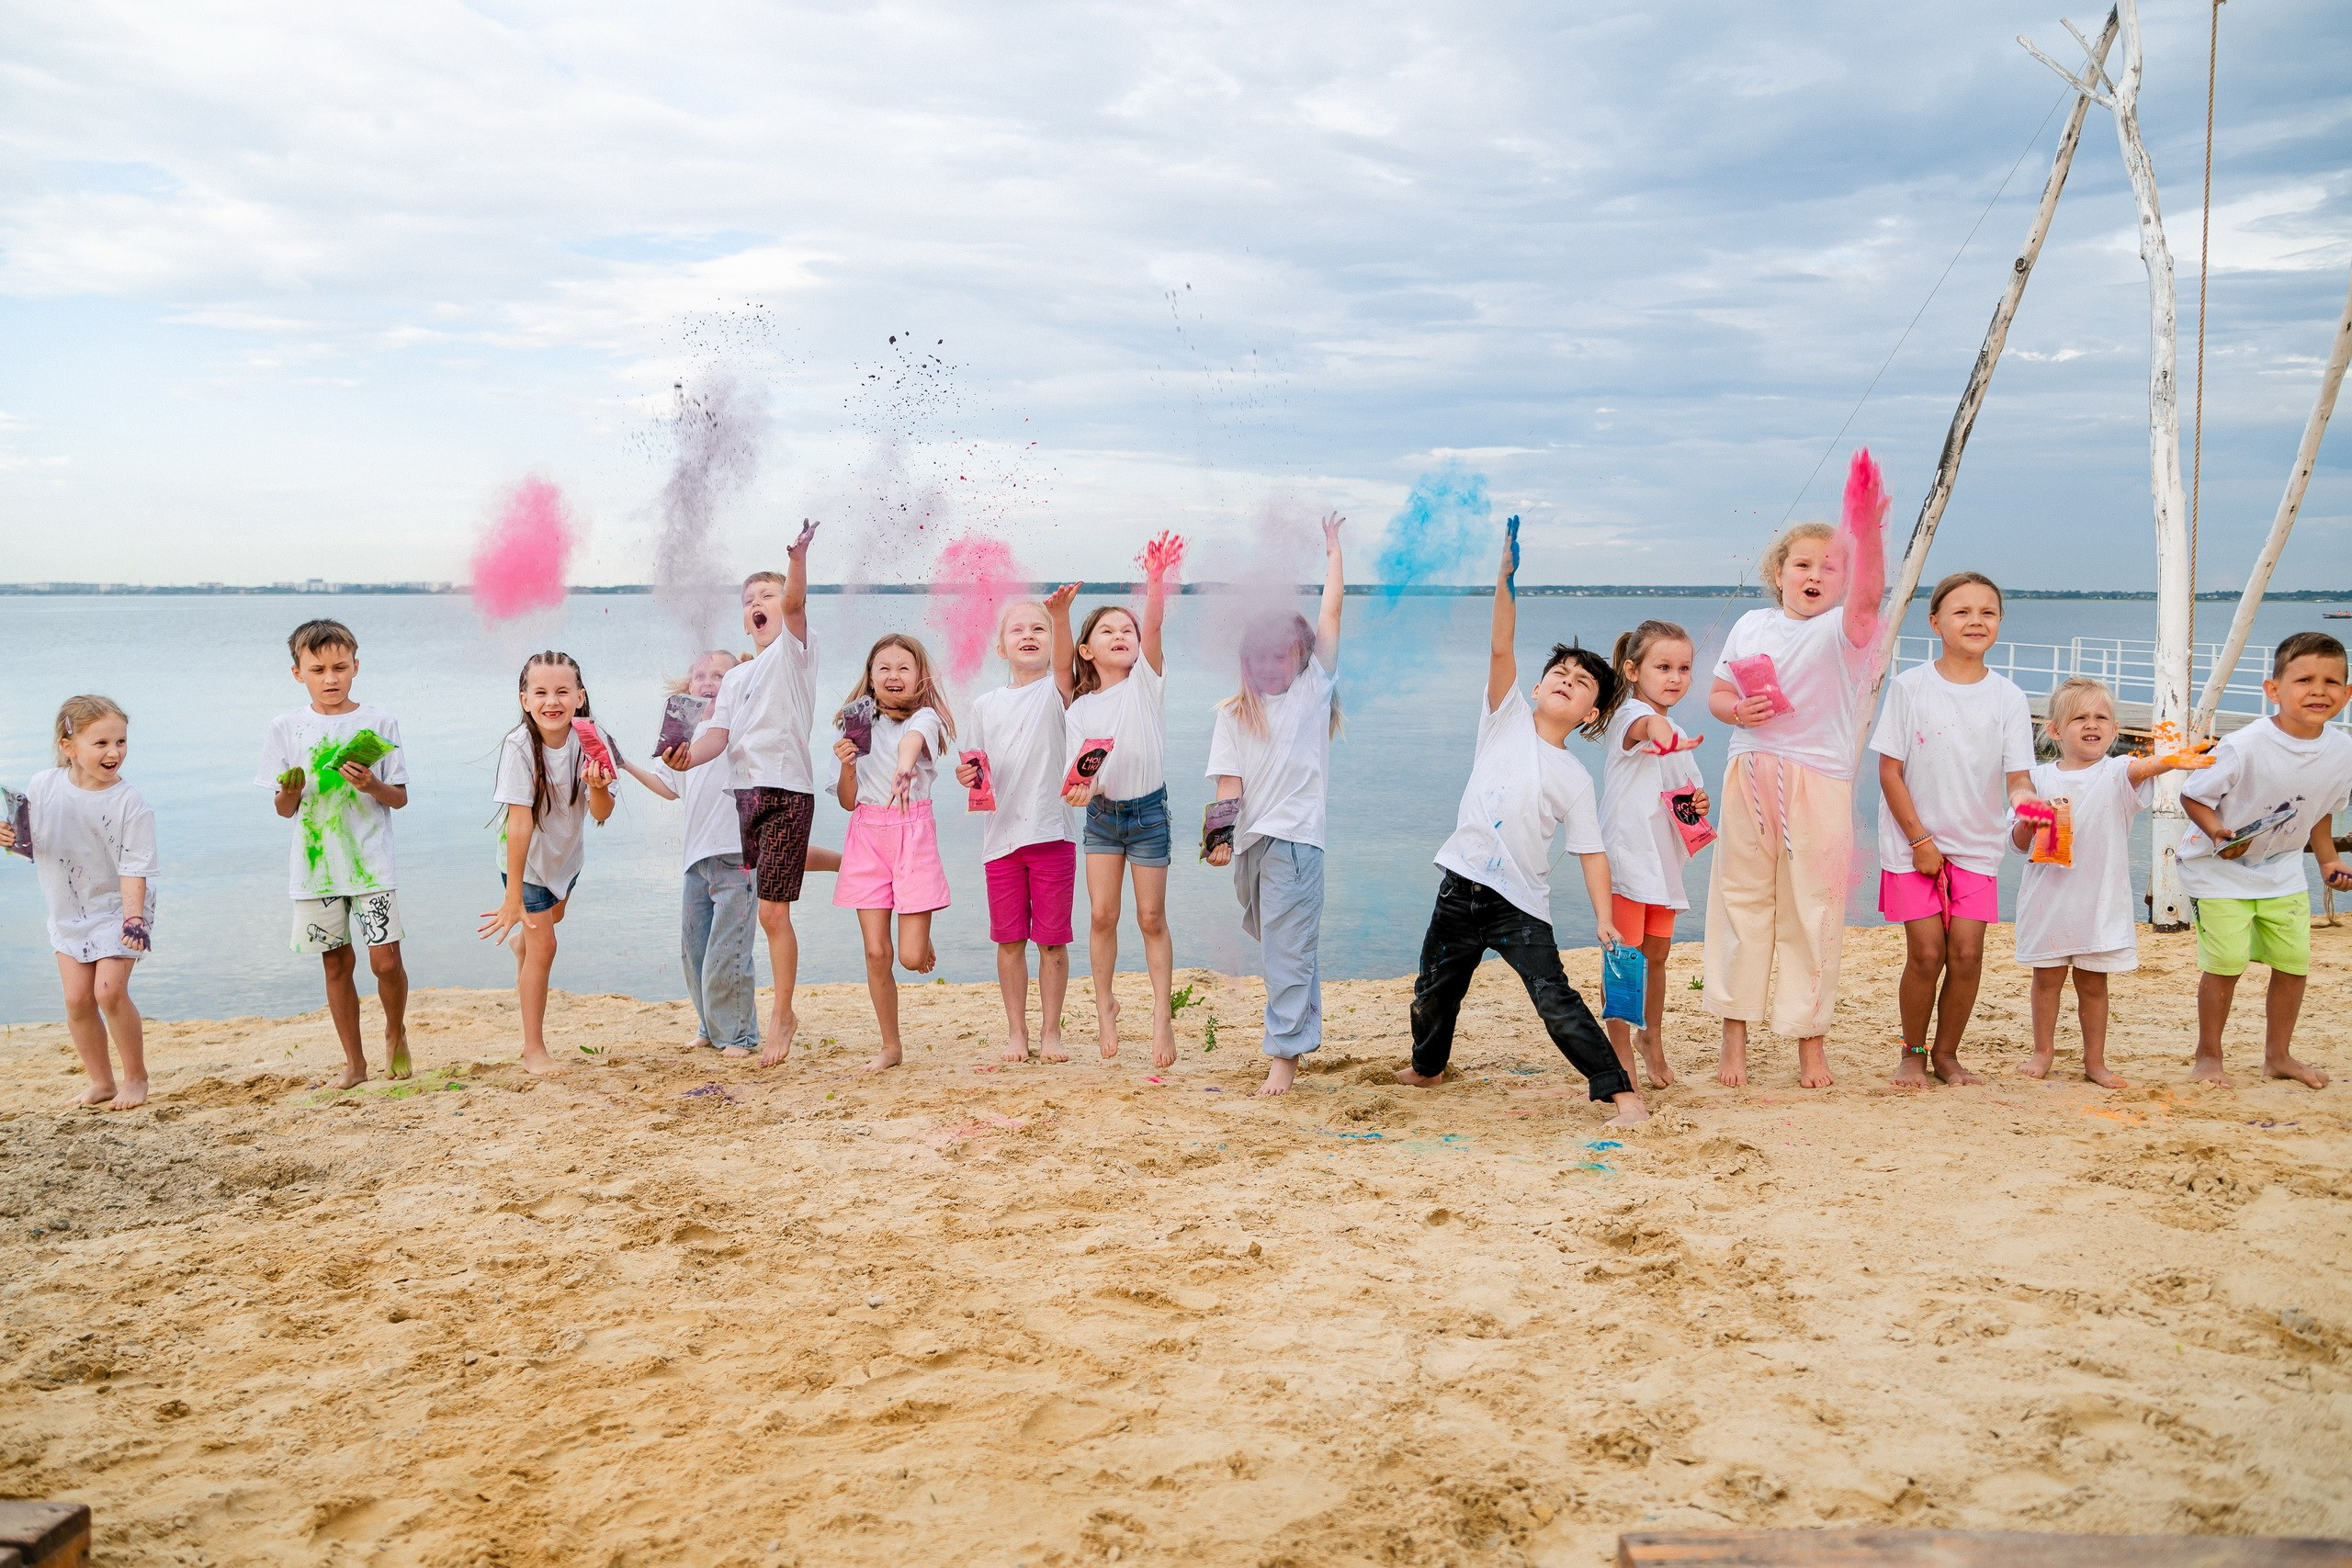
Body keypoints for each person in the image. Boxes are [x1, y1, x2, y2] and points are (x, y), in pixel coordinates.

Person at [1396, 526, 1648, 1128]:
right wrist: (1504, 581)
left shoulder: (1574, 776)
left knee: (1555, 1002)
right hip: (1460, 887)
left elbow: (1590, 852)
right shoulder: (1503, 718)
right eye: (1558, 671)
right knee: (1433, 991)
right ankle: (1428, 1068)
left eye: (1581, 680)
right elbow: (1500, 647)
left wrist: (1604, 916)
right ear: (1535, 688)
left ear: (1590, 714)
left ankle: (1622, 1095)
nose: (1566, 677)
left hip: (1520, 906)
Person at [1703, 453, 1889, 1089]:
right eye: (1802, 564)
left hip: (1817, 780)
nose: (1814, 575)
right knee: (1740, 904)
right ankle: (1735, 1038)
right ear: (1778, 573)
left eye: (1828, 567)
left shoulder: (1846, 629)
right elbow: (1719, 696)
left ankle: (1810, 1042)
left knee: (1814, 910)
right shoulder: (1752, 624)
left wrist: (1865, 531)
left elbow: (1868, 597)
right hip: (1748, 772)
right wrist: (1739, 708)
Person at [1870, 572, 2044, 1088]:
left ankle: (1947, 1054)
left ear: (2000, 624)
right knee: (1926, 954)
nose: (1975, 621)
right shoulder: (1910, 687)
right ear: (1935, 622)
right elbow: (1888, 771)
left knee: (1967, 954)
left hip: (1977, 843)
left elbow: (2017, 778)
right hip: (1912, 842)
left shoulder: (2008, 697)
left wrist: (2028, 805)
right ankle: (1913, 1051)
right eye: (1962, 612)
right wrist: (1920, 841)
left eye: (1987, 612)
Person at [665, 522, 825, 1064]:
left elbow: (798, 602)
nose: (757, 603)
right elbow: (718, 735)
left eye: (767, 595)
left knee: (774, 914)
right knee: (768, 912)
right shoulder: (735, 679)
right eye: (748, 599)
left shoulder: (793, 653)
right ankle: (767, 1013)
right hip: (745, 799)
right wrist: (688, 757)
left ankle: (781, 1014)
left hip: (788, 790)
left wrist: (797, 561)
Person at [2010, 676, 2213, 1088]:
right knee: (2046, 979)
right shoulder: (2037, 778)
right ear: (2054, 730)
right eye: (2079, 717)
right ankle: (2043, 1051)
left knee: (2092, 982)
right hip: (2048, 897)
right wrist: (2030, 823)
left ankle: (2095, 1061)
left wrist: (2171, 760)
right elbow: (2015, 840)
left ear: (2114, 729)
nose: (2092, 724)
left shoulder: (2117, 771)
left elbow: (2142, 766)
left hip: (2099, 898)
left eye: (2101, 717)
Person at [1204, 513, 1346, 1096]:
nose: (1269, 667)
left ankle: (1283, 1057)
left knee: (1287, 949)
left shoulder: (1313, 694)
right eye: (1257, 658)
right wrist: (1217, 841)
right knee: (1282, 942)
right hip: (1252, 846)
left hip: (1295, 842)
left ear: (1301, 658)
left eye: (1280, 657)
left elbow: (1332, 612)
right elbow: (1228, 787)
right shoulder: (1233, 714)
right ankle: (1299, 1032)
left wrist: (1333, 549)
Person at [2178, 631, 2352, 1089]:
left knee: (2294, 963)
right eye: (2304, 680)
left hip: (2283, 872)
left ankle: (2278, 1055)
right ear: (2273, 690)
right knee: (2226, 962)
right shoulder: (2245, 744)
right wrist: (2218, 831)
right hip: (2216, 870)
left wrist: (2328, 862)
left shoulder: (2341, 751)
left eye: (2332, 682)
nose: (2319, 690)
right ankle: (2209, 1054)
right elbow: (2193, 795)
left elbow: (2320, 812)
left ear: (2347, 694)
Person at [256, 618, 411, 1090]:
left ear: (356, 667)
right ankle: (355, 1063)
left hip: (371, 862)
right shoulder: (285, 727)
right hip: (316, 868)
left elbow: (399, 798)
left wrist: (372, 784)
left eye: (340, 667)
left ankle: (395, 1029)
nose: (330, 678)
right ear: (297, 672)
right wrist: (291, 790)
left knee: (385, 962)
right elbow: (284, 810)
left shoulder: (380, 722)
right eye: (318, 668)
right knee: (336, 964)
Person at [1062, 531, 1184, 1068]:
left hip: (1149, 813)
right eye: (1107, 630)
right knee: (1103, 916)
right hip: (1104, 818)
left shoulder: (1145, 684)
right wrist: (1079, 790)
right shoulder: (1080, 709)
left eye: (1126, 629)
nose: (1122, 634)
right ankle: (1104, 1006)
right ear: (1086, 650)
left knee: (1151, 917)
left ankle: (1162, 1017)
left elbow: (1153, 623)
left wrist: (1155, 579)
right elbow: (1074, 782)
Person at [2, 695, 157, 1109]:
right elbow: (32, 845)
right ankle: (101, 1081)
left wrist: (134, 918)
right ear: (68, 746)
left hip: (121, 907)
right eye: (101, 743)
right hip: (68, 908)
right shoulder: (43, 785)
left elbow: (135, 867)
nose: (114, 752)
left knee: (108, 991)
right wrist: (10, 838)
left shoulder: (131, 804)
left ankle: (136, 1079)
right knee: (76, 999)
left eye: (121, 742)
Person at [618, 651, 765, 1059]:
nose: (707, 682)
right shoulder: (685, 737)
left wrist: (750, 671)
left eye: (719, 675)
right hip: (696, 859)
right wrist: (625, 763)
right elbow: (669, 787)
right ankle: (710, 1024)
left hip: (737, 854)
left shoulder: (739, 724)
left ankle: (739, 1035)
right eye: (699, 676)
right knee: (694, 949)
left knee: (728, 951)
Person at [957, 589, 1080, 1064]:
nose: (1029, 636)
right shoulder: (984, 705)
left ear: (1051, 643)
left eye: (1038, 629)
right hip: (1000, 840)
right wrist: (967, 776)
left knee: (1052, 941)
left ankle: (1051, 1031)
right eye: (1018, 630)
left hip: (1052, 833)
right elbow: (976, 767)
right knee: (1009, 941)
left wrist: (1062, 615)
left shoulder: (1056, 693)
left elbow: (1068, 666)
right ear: (1000, 647)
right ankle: (1017, 1032)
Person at [477, 651, 614, 1073]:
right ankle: (533, 1049)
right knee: (546, 946)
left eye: (562, 691)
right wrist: (511, 897)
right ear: (524, 700)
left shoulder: (592, 739)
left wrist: (599, 787)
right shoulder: (520, 746)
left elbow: (601, 814)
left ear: (580, 697)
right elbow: (518, 824)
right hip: (527, 860)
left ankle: (526, 940)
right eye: (540, 692)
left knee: (551, 924)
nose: (551, 701)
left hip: (565, 857)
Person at [831, 633, 956, 1073]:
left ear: (920, 676)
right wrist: (848, 763)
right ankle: (890, 1045)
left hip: (912, 832)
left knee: (910, 957)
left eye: (904, 667)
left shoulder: (925, 718)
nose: (893, 675)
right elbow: (847, 800)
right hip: (866, 833)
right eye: (883, 667)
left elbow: (911, 745)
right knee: (877, 953)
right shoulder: (856, 726)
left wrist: (904, 771)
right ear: (869, 677)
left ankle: (920, 930)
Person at [1595, 618, 1709, 1089]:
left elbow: (1684, 792)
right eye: (1663, 667)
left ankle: (1651, 1038)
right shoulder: (1628, 716)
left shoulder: (1676, 728)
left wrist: (1698, 804)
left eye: (1684, 668)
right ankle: (1619, 1051)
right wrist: (1660, 732)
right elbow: (1648, 727)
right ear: (1632, 669)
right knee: (1625, 956)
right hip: (1626, 861)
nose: (1675, 677)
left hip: (1663, 864)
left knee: (1658, 954)